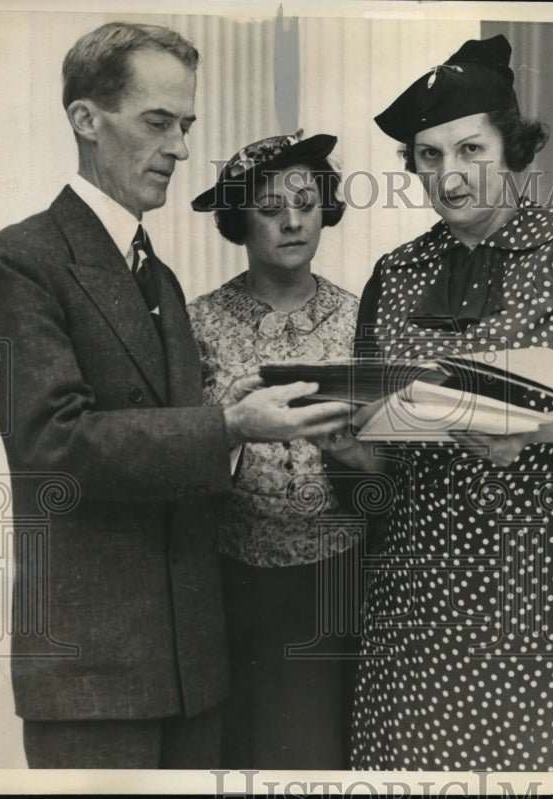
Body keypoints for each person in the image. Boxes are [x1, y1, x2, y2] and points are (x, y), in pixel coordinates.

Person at [0, 22, 349, 769]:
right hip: (93, 678)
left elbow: (181, 451)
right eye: (157, 122)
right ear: (85, 119)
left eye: (186, 125)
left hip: (196, 676)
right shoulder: (20, 259)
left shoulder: (159, 278)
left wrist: (239, 432)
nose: (178, 147)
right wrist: (228, 425)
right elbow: (54, 446)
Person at [326, 34, 553, 771]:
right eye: (430, 155)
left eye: (470, 150)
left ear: (511, 149)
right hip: (414, 601)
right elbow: (373, 437)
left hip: (540, 595)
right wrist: (348, 444)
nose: (450, 175)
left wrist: (531, 430)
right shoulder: (397, 271)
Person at [187, 132, 359, 768]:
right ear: (238, 219)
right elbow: (181, 451)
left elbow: (394, 461)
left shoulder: (359, 318)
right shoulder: (196, 323)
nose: (292, 221)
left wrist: (355, 455)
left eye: (306, 202)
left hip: (339, 576)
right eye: (268, 208)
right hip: (232, 576)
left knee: (325, 753)